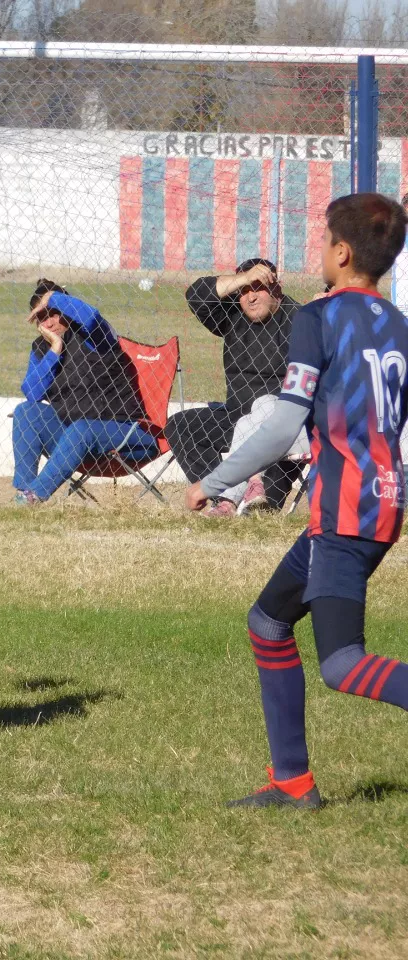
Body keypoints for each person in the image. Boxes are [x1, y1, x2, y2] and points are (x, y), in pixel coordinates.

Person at [186, 193, 408, 809]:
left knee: (342, 665)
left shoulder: (317, 318)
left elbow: (285, 426)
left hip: (345, 513)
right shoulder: (399, 325)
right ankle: (292, 783)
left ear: (341, 252)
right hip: (379, 504)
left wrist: (215, 481)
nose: (318, 252)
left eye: (322, 241)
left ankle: (293, 782)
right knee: (267, 623)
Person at [166, 259, 302, 516]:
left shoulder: (298, 319)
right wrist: (242, 279)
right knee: (180, 425)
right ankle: (221, 500)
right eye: (244, 290)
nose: (250, 297)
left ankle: (257, 500)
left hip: (281, 424)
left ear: (277, 290)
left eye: (258, 288)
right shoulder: (232, 315)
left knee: (259, 516)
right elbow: (196, 295)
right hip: (235, 415)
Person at [11, 280, 156, 503]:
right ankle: (24, 492)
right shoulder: (42, 348)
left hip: (125, 434)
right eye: (41, 317)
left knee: (82, 429)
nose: (48, 324)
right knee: (26, 412)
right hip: (75, 440)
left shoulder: (94, 338)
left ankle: (35, 496)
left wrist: (52, 297)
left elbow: (91, 317)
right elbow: (32, 392)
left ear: (67, 310)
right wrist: (55, 351)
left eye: (53, 313)